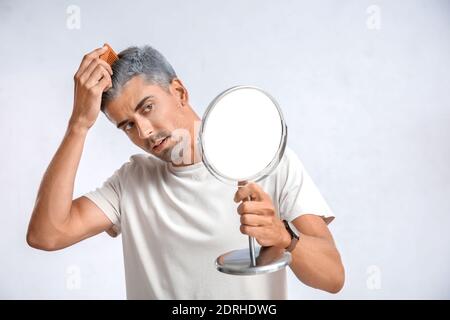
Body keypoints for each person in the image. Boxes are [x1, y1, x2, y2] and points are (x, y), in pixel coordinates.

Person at [26, 44, 345, 299]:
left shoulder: (267, 158)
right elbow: (46, 235)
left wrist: (283, 236)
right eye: (128, 126)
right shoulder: (130, 182)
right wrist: (79, 124)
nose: (145, 132)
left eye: (146, 107)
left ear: (179, 92)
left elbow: (332, 277)